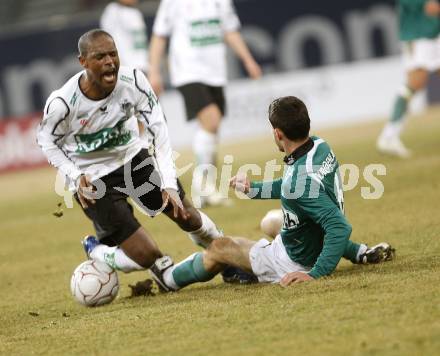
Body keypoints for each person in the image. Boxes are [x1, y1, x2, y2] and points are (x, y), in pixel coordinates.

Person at [36, 29, 229, 278]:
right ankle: (97, 251)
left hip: (133, 160)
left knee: (187, 216)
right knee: (147, 257)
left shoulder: (134, 82)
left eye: (113, 54)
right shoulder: (63, 103)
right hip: (93, 180)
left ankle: (227, 256)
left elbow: (159, 132)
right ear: (82, 61)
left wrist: (169, 184)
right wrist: (74, 174)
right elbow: (46, 141)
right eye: (100, 56)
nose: (109, 62)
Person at [148, 96, 395, 291]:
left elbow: (339, 227)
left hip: (291, 261)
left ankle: (168, 280)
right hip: (309, 236)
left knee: (219, 248)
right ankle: (362, 252)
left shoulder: (299, 184)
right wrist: (253, 189)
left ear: (278, 133)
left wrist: (314, 274)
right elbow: (293, 186)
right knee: (270, 221)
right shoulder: (319, 145)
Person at [148, 0, 262, 207]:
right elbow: (159, 35)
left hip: (215, 72)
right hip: (188, 71)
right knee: (211, 120)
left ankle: (206, 190)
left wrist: (248, 59)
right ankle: (203, 184)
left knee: (211, 129)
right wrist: (154, 71)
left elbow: (230, 31)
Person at [377, 0, 440, 158]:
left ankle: (389, 136)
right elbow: (431, 7)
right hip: (418, 37)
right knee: (414, 83)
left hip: (433, 34)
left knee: (414, 84)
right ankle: (389, 136)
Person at [100, 0, 149, 74]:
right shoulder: (112, 11)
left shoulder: (136, 13)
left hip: (141, 67)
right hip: (124, 69)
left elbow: (141, 45)